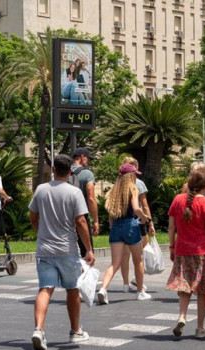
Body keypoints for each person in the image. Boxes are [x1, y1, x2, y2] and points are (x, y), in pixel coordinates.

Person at [29, 154, 95, 350]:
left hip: (45, 249)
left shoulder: (41, 190)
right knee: (73, 289)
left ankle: (38, 329)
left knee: (45, 289)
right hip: (67, 249)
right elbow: (81, 221)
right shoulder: (74, 192)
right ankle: (75, 331)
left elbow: (33, 215)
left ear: (52, 170)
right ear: (70, 171)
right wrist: (89, 249)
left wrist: (39, 231)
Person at [166, 167, 205, 339]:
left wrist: (171, 247)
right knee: (202, 290)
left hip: (182, 250)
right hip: (203, 252)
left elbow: (171, 227)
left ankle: (182, 316)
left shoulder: (177, 199)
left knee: (184, 286)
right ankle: (200, 328)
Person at [97, 163, 152, 304]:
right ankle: (140, 292)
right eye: (134, 174)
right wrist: (145, 218)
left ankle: (103, 289)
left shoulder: (113, 191)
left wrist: (112, 226)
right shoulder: (132, 189)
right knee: (138, 259)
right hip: (130, 226)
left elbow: (110, 213)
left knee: (114, 263)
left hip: (116, 227)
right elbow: (136, 208)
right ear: (130, 175)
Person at [118, 157, 155, 293]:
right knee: (140, 255)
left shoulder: (118, 183)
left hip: (119, 222)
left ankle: (125, 283)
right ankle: (138, 282)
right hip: (137, 222)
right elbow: (143, 205)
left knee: (124, 255)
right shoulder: (138, 184)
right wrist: (150, 222)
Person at [70, 147, 100, 258]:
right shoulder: (87, 174)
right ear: (82, 157)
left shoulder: (63, 171)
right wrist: (96, 220)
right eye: (88, 158)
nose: (89, 162)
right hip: (81, 216)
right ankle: (84, 274)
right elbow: (91, 198)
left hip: (64, 218)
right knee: (87, 254)